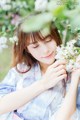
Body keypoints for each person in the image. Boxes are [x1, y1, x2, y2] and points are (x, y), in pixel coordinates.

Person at [0, 12, 80, 120]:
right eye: (35, 46)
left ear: (56, 37)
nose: (45, 50)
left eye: (48, 40)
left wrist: (75, 78)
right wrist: (43, 84)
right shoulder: (22, 70)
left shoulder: (71, 71)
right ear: (26, 49)